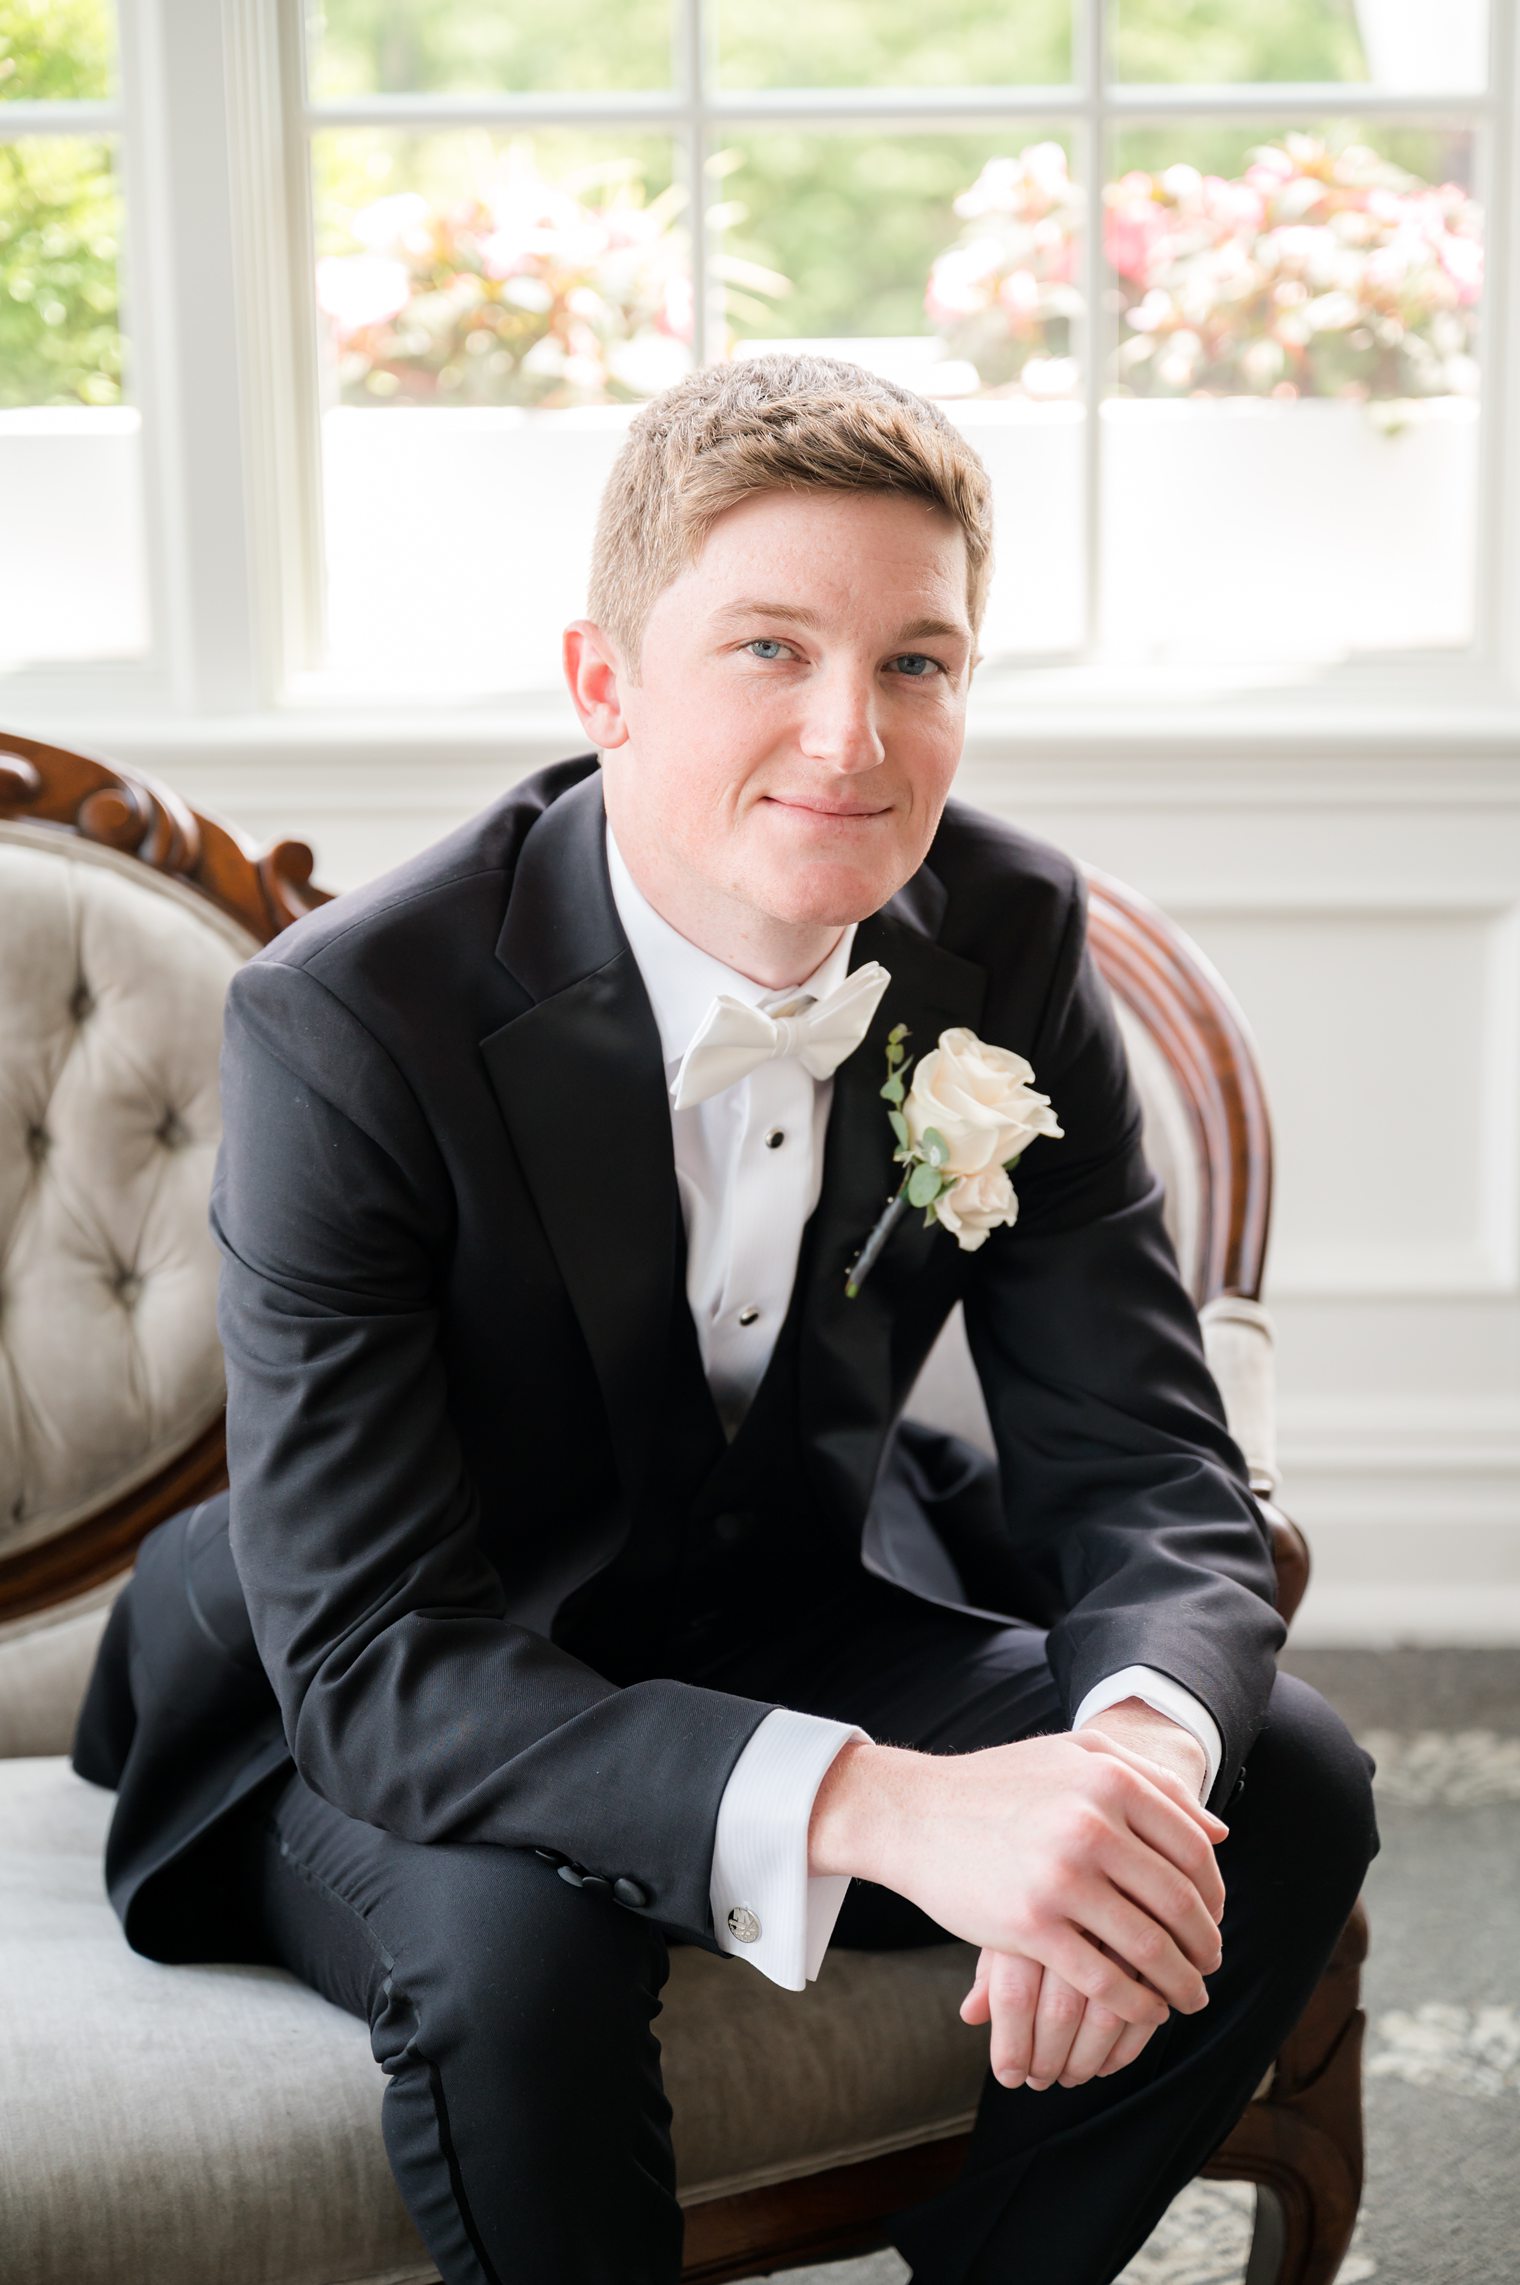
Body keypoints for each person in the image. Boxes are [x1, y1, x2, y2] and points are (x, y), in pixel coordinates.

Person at [72, 351, 1380, 2285]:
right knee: (526, 1969)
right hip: (389, 1668)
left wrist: (1122, 1774)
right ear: (605, 680)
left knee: (1280, 1781)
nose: (851, 737)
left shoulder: (1004, 938)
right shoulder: (354, 1020)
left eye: (918, 662)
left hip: (773, 1584)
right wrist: (895, 1810)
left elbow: (1144, 1459)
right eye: (770, 647)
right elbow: (372, 1648)